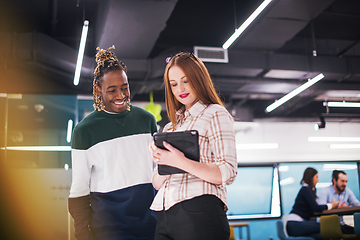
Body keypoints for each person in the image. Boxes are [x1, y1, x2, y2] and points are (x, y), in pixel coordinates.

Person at [68, 46, 157, 240]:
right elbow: (79, 190)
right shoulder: (84, 131)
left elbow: (159, 173)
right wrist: (83, 233)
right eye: (112, 90)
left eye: (125, 87)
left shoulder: (147, 120)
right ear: (99, 90)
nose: (121, 95)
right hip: (109, 230)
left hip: (151, 225)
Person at [149, 52, 238, 240]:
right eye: (173, 84)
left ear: (198, 79)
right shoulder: (169, 127)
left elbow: (227, 172)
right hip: (164, 214)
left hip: (199, 210)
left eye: (186, 81)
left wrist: (181, 161)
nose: (180, 88)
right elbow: (156, 183)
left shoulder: (215, 113)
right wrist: (165, 162)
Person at [286, 167, 339, 240]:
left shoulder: (308, 190)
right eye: (316, 177)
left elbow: (314, 207)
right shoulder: (305, 189)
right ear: (311, 178)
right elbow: (316, 208)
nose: (318, 179)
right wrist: (331, 205)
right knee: (327, 227)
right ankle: (351, 231)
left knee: (322, 236)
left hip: (296, 225)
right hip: (295, 224)